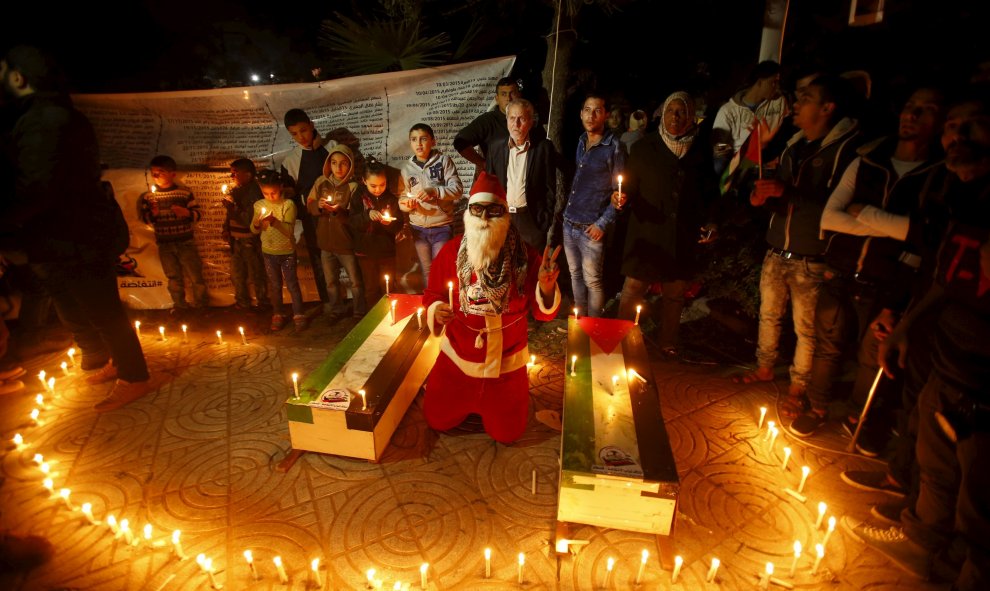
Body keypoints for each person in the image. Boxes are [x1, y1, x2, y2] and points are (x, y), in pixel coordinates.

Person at [844, 94, 990, 591]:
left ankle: (970, 572)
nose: (958, 136)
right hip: (949, 358)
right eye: (953, 126)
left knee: (981, 494)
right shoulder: (958, 197)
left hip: (983, 376)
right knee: (937, 460)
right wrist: (905, 327)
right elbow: (945, 277)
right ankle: (923, 540)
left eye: (974, 125)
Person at [0, 45, 150, 411]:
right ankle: (114, 362)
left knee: (102, 309)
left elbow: (39, 185)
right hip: (55, 239)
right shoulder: (38, 117)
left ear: (19, 77)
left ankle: (135, 375)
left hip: (75, 236)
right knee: (74, 306)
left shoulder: (47, 120)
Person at [792, 88, 945, 442]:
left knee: (873, 355)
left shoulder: (936, 175)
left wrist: (867, 213)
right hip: (839, 270)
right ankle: (817, 407)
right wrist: (895, 226)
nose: (912, 116)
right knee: (827, 346)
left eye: (925, 111)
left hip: (886, 280)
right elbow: (830, 218)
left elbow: (924, 237)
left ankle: (859, 419)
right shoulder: (868, 159)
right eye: (909, 107)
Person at [736, 75, 861, 411]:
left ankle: (798, 386)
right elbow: (782, 197)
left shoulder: (846, 152)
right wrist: (763, 196)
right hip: (777, 247)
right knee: (769, 314)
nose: (795, 105)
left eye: (805, 98)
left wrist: (787, 193)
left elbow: (839, 209)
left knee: (805, 328)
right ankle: (764, 367)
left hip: (811, 257)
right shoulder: (794, 147)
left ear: (826, 108)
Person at [422, 172, 561, 444]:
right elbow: (432, 295)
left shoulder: (526, 257)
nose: (485, 220)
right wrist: (437, 309)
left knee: (508, 434)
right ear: (468, 215)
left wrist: (545, 287)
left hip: (505, 369)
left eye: (493, 212)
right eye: (478, 211)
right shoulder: (450, 252)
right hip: (458, 363)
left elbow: (544, 313)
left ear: (505, 216)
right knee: (436, 419)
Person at [612, 92, 718, 355]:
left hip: (680, 233)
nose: (676, 117)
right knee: (633, 288)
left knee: (675, 293)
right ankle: (618, 341)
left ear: (691, 117)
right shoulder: (643, 147)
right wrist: (621, 198)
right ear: (663, 114)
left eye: (682, 112)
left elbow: (710, 194)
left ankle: (668, 342)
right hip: (647, 232)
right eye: (671, 111)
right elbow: (631, 187)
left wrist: (712, 222)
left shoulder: (700, 154)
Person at [562, 92, 625, 318]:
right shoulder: (581, 140)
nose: (591, 115)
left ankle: (594, 327)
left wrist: (603, 223)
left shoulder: (613, 146)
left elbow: (620, 193)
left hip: (591, 228)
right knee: (575, 275)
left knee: (593, 281)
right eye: (587, 110)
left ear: (606, 115)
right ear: (581, 114)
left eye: (598, 110)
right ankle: (580, 321)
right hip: (569, 222)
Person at [137, 155, 209, 315]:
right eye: (153, 172)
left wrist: (186, 212)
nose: (155, 176)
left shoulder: (183, 193)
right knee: (173, 277)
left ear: (172, 174)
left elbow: (198, 214)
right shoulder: (148, 197)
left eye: (160, 172)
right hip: (165, 244)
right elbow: (145, 219)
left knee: (195, 275)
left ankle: (202, 306)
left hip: (185, 242)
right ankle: (180, 306)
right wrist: (153, 214)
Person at [279, 108, 336, 306]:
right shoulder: (290, 161)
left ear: (311, 125)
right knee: (320, 261)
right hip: (313, 220)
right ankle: (330, 304)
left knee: (348, 258)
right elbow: (292, 195)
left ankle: (358, 304)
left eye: (303, 130)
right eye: (294, 134)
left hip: (338, 215)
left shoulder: (333, 148)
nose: (301, 137)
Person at [485, 98, 558, 250]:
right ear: (506, 120)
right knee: (505, 267)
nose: (516, 124)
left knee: (532, 269)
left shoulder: (543, 148)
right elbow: (489, 184)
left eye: (522, 119)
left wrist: (545, 220)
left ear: (531, 122)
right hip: (502, 218)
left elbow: (550, 187)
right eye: (512, 118)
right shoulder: (495, 148)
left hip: (531, 220)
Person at [398, 123, 463, 283]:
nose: (418, 143)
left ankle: (445, 303)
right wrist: (407, 204)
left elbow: (457, 189)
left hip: (442, 226)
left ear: (433, 141)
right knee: (427, 270)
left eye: (423, 139)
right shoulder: (406, 169)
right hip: (418, 228)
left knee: (441, 267)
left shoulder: (444, 161)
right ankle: (431, 303)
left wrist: (434, 191)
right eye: (414, 139)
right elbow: (402, 197)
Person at [307, 144, 364, 320]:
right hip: (326, 243)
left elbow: (356, 215)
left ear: (350, 165)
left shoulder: (354, 186)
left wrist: (339, 211)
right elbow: (310, 204)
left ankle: (359, 310)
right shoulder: (320, 182)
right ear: (328, 164)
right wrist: (318, 205)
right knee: (331, 282)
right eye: (334, 163)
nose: (338, 168)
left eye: (343, 163)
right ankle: (336, 309)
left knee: (355, 280)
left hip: (345, 242)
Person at [711, 60, 791, 175]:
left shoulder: (779, 102)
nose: (777, 87)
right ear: (759, 83)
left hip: (770, 166)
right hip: (741, 167)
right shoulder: (728, 111)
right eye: (773, 82)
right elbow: (720, 148)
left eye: (778, 83)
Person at [253, 171, 305, 332]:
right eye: (265, 193)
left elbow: (289, 231)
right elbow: (254, 230)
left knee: (292, 284)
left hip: (286, 252)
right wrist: (256, 223)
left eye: (273, 193)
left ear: (281, 187)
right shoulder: (259, 205)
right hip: (268, 252)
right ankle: (278, 314)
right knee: (275, 285)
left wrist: (274, 222)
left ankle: (299, 314)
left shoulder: (288, 205)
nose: (270, 196)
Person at [349, 158, 401, 305]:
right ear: (364, 181)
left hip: (386, 252)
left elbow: (398, 225)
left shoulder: (390, 199)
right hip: (366, 252)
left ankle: (389, 315)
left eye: (382, 185)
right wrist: (367, 215)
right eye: (373, 186)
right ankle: (372, 318)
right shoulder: (358, 197)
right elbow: (352, 222)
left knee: (388, 286)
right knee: (371, 288)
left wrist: (388, 224)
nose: (378, 189)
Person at [222, 158, 268, 311]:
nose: (232, 177)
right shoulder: (235, 190)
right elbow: (230, 215)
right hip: (236, 241)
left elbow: (248, 220)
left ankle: (263, 303)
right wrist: (226, 228)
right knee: (237, 274)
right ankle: (242, 303)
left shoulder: (254, 193)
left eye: (235, 173)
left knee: (256, 273)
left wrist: (232, 209)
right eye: (231, 173)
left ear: (248, 175)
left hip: (250, 240)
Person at [453, 77, 520, 177]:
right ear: (497, 99)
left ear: (519, 95)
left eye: (512, 93)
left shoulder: (527, 119)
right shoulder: (487, 121)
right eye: (504, 94)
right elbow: (460, 142)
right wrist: (484, 164)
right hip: (498, 181)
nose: (508, 98)